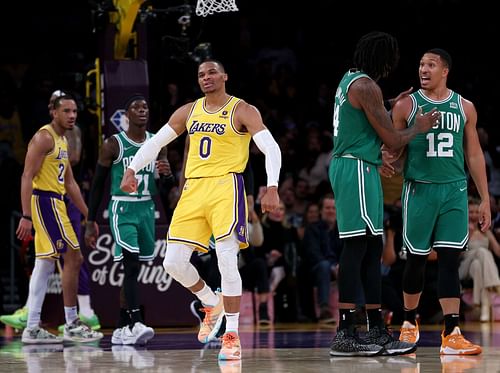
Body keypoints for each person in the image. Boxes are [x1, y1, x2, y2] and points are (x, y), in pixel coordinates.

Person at [120, 59, 282, 361]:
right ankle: (211, 302)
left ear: (224, 76)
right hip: (193, 189)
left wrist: (271, 186)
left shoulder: (242, 109)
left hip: (226, 187)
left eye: (211, 72)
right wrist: (131, 168)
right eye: (201, 74)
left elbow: (271, 147)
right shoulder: (188, 110)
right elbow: (156, 142)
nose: (206, 77)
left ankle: (232, 335)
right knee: (172, 263)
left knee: (227, 260)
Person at [328, 31, 440, 357]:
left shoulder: (353, 82)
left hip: (363, 166)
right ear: (384, 60)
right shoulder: (366, 86)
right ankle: (346, 331)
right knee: (356, 245)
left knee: (372, 245)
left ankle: (376, 327)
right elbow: (393, 140)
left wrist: (387, 104)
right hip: (355, 168)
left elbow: (361, 118)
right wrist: (418, 127)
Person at [391, 48, 489, 355]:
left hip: (454, 190)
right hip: (419, 188)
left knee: (450, 260)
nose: (423, 69)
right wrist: (391, 153)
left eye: (430, 64)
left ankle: (452, 332)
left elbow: (473, 154)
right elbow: (392, 148)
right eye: (420, 64)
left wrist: (485, 199)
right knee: (416, 259)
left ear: (444, 70)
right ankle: (408, 322)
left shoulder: (465, 107)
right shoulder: (407, 104)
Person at [0, 90, 102, 333]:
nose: (72, 115)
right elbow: (26, 176)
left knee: (45, 263)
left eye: (75, 111)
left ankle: (32, 327)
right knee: (73, 257)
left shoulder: (63, 141)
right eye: (66, 111)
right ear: (54, 112)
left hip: (57, 201)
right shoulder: (44, 138)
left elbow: (70, 183)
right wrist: (26, 215)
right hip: (44, 201)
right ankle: (72, 322)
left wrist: (89, 214)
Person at [84, 94, 172, 345]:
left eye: (145, 107)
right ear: (127, 115)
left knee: (135, 268)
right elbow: (98, 185)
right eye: (136, 107)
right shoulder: (113, 144)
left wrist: (167, 176)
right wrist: (91, 221)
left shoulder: (158, 143)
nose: (142, 110)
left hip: (146, 208)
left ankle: (122, 327)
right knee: (130, 266)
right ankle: (135, 322)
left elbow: (166, 186)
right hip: (122, 207)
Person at [459, 197, 500, 322]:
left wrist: (492, 235)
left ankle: (483, 308)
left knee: (478, 265)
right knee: (482, 252)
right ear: (466, 212)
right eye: (471, 212)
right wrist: (469, 235)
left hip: (476, 269)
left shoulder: (485, 229)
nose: (474, 215)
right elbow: (456, 255)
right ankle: (496, 285)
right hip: (463, 267)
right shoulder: (460, 228)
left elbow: (498, 252)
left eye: (477, 212)